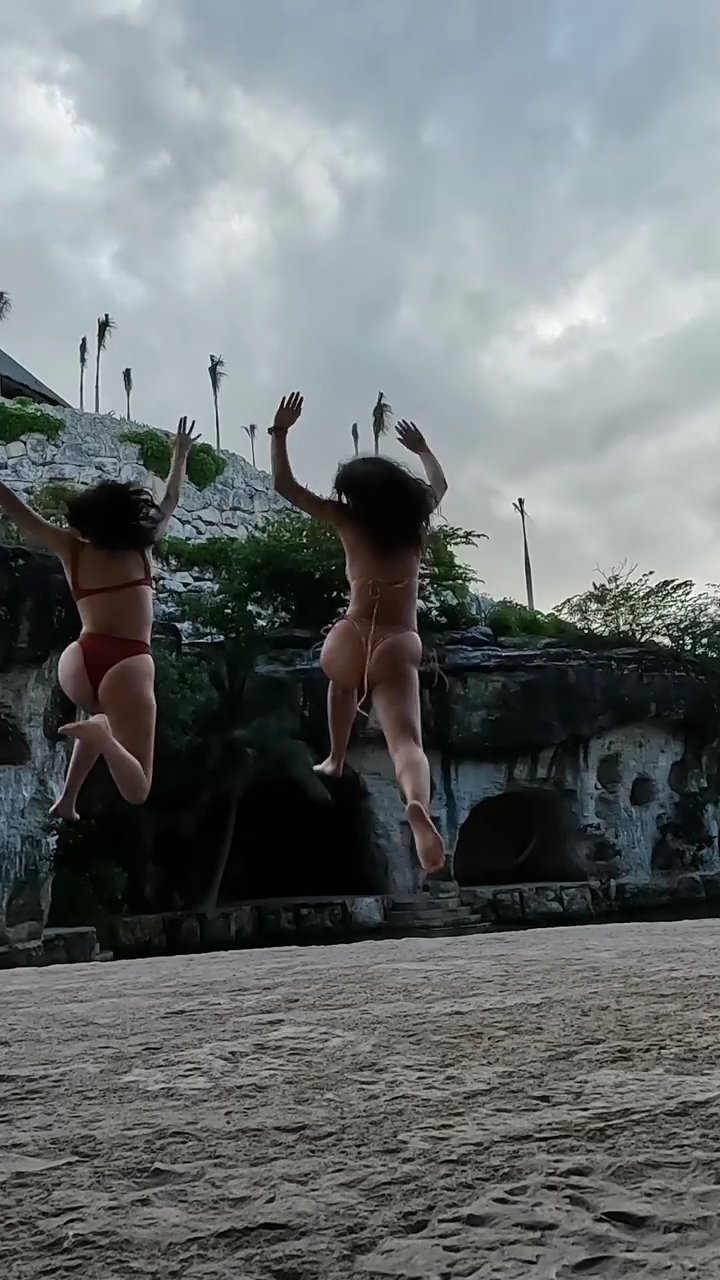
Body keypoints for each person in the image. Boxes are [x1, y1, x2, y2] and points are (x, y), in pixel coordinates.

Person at [270, 392, 448, 873]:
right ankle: (417, 804)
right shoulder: (414, 523)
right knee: (406, 743)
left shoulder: (347, 519)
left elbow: (285, 486)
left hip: (349, 635)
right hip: (397, 642)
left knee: (341, 680)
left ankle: (335, 755)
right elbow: (439, 483)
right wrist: (423, 449)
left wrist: (280, 432)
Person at [0, 416, 197, 820]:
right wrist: (180, 454)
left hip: (78, 661)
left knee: (98, 712)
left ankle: (67, 798)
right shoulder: (142, 546)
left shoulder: (70, 548)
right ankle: (101, 740)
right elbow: (173, 496)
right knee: (138, 788)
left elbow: (16, 509)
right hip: (128, 663)